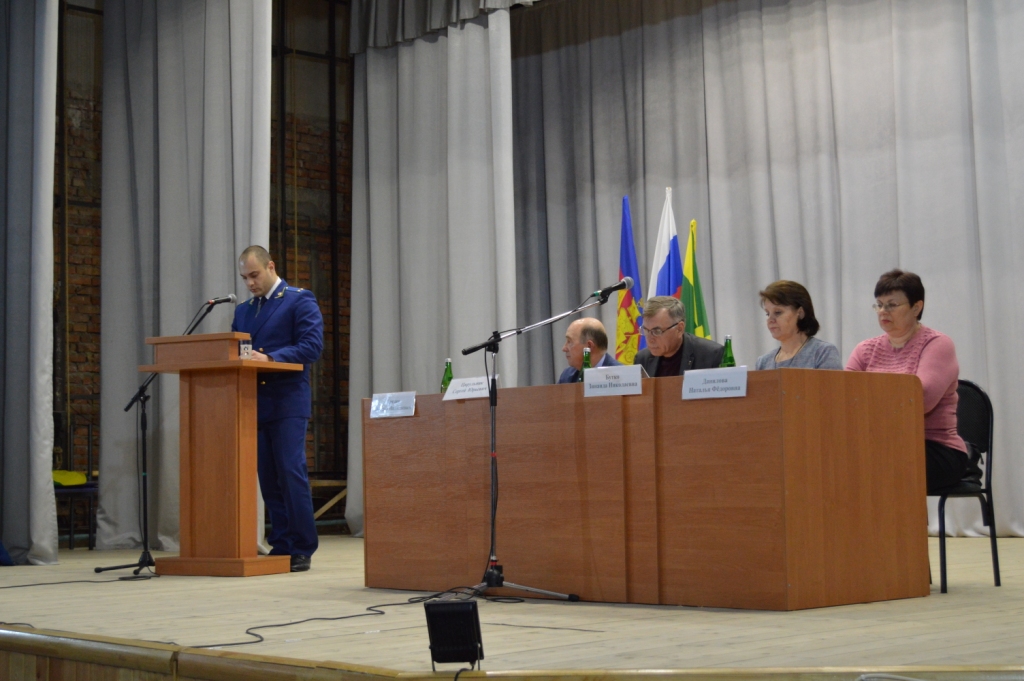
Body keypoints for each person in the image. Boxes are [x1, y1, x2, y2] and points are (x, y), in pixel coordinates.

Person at [232, 245, 323, 572]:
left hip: (286, 400)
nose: (250, 283)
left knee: (289, 471)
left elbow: (312, 347)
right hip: (254, 402)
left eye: (254, 275)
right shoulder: (243, 310)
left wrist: (271, 357)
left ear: (271, 266)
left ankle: (302, 546)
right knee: (268, 477)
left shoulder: (299, 300)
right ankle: (282, 543)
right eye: (245, 278)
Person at [846, 269, 969, 494]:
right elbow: (843, 397)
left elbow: (920, 399)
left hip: (935, 447)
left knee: (877, 462)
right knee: (836, 459)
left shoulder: (937, 344)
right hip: (880, 443)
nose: (883, 311)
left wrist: (867, 402)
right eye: (879, 305)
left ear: (916, 307)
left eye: (892, 305)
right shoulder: (865, 349)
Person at [755, 280, 842, 370]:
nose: (770, 320)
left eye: (778, 312)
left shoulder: (823, 353)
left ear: (800, 313)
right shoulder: (763, 362)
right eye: (767, 313)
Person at [632, 296, 723, 376]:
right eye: (646, 330)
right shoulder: (642, 359)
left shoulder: (711, 355)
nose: (650, 339)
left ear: (679, 329)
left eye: (657, 331)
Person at [558, 318, 621, 383]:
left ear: (589, 346)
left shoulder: (621, 376)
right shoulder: (567, 376)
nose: (564, 348)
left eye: (569, 341)